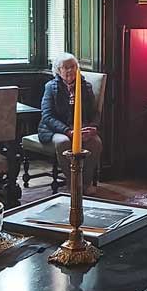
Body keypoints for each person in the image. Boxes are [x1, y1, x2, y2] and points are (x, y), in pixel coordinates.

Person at [37, 53, 102, 195]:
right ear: (58, 70)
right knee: (63, 143)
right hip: (55, 129)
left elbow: (94, 112)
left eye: (72, 66)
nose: (70, 70)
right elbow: (47, 116)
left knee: (95, 142)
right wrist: (67, 131)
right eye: (65, 67)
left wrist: (93, 127)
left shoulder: (86, 86)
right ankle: (73, 183)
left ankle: (85, 183)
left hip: (80, 127)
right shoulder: (51, 87)